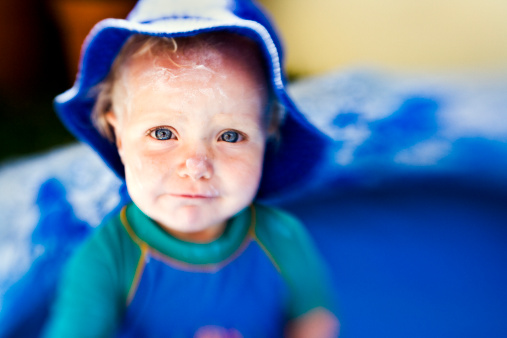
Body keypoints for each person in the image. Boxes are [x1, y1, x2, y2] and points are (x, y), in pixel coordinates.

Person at [43, 0, 339, 337]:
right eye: (163, 133)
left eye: (230, 135)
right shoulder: (108, 259)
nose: (196, 167)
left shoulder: (282, 237)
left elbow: (314, 318)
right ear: (118, 136)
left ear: (268, 134)